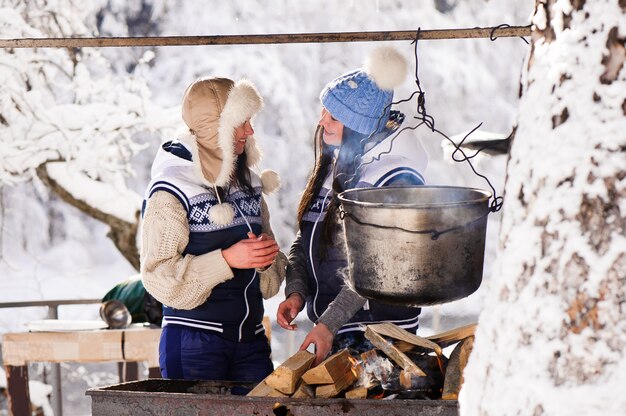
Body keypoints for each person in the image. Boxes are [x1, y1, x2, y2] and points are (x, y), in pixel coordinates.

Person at [277, 47, 428, 365]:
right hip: (333, 330)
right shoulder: (332, 168)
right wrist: (296, 291)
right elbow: (307, 240)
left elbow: (378, 266)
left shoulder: (395, 176)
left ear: (358, 125)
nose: (322, 122)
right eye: (324, 112)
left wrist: (327, 324)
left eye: (333, 116)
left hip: (381, 337)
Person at [140, 76, 286, 386]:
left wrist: (267, 259)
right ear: (213, 127)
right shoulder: (172, 188)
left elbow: (268, 283)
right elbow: (157, 277)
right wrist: (228, 260)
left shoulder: (247, 181)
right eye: (241, 123)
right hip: (195, 345)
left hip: (252, 340)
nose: (250, 131)